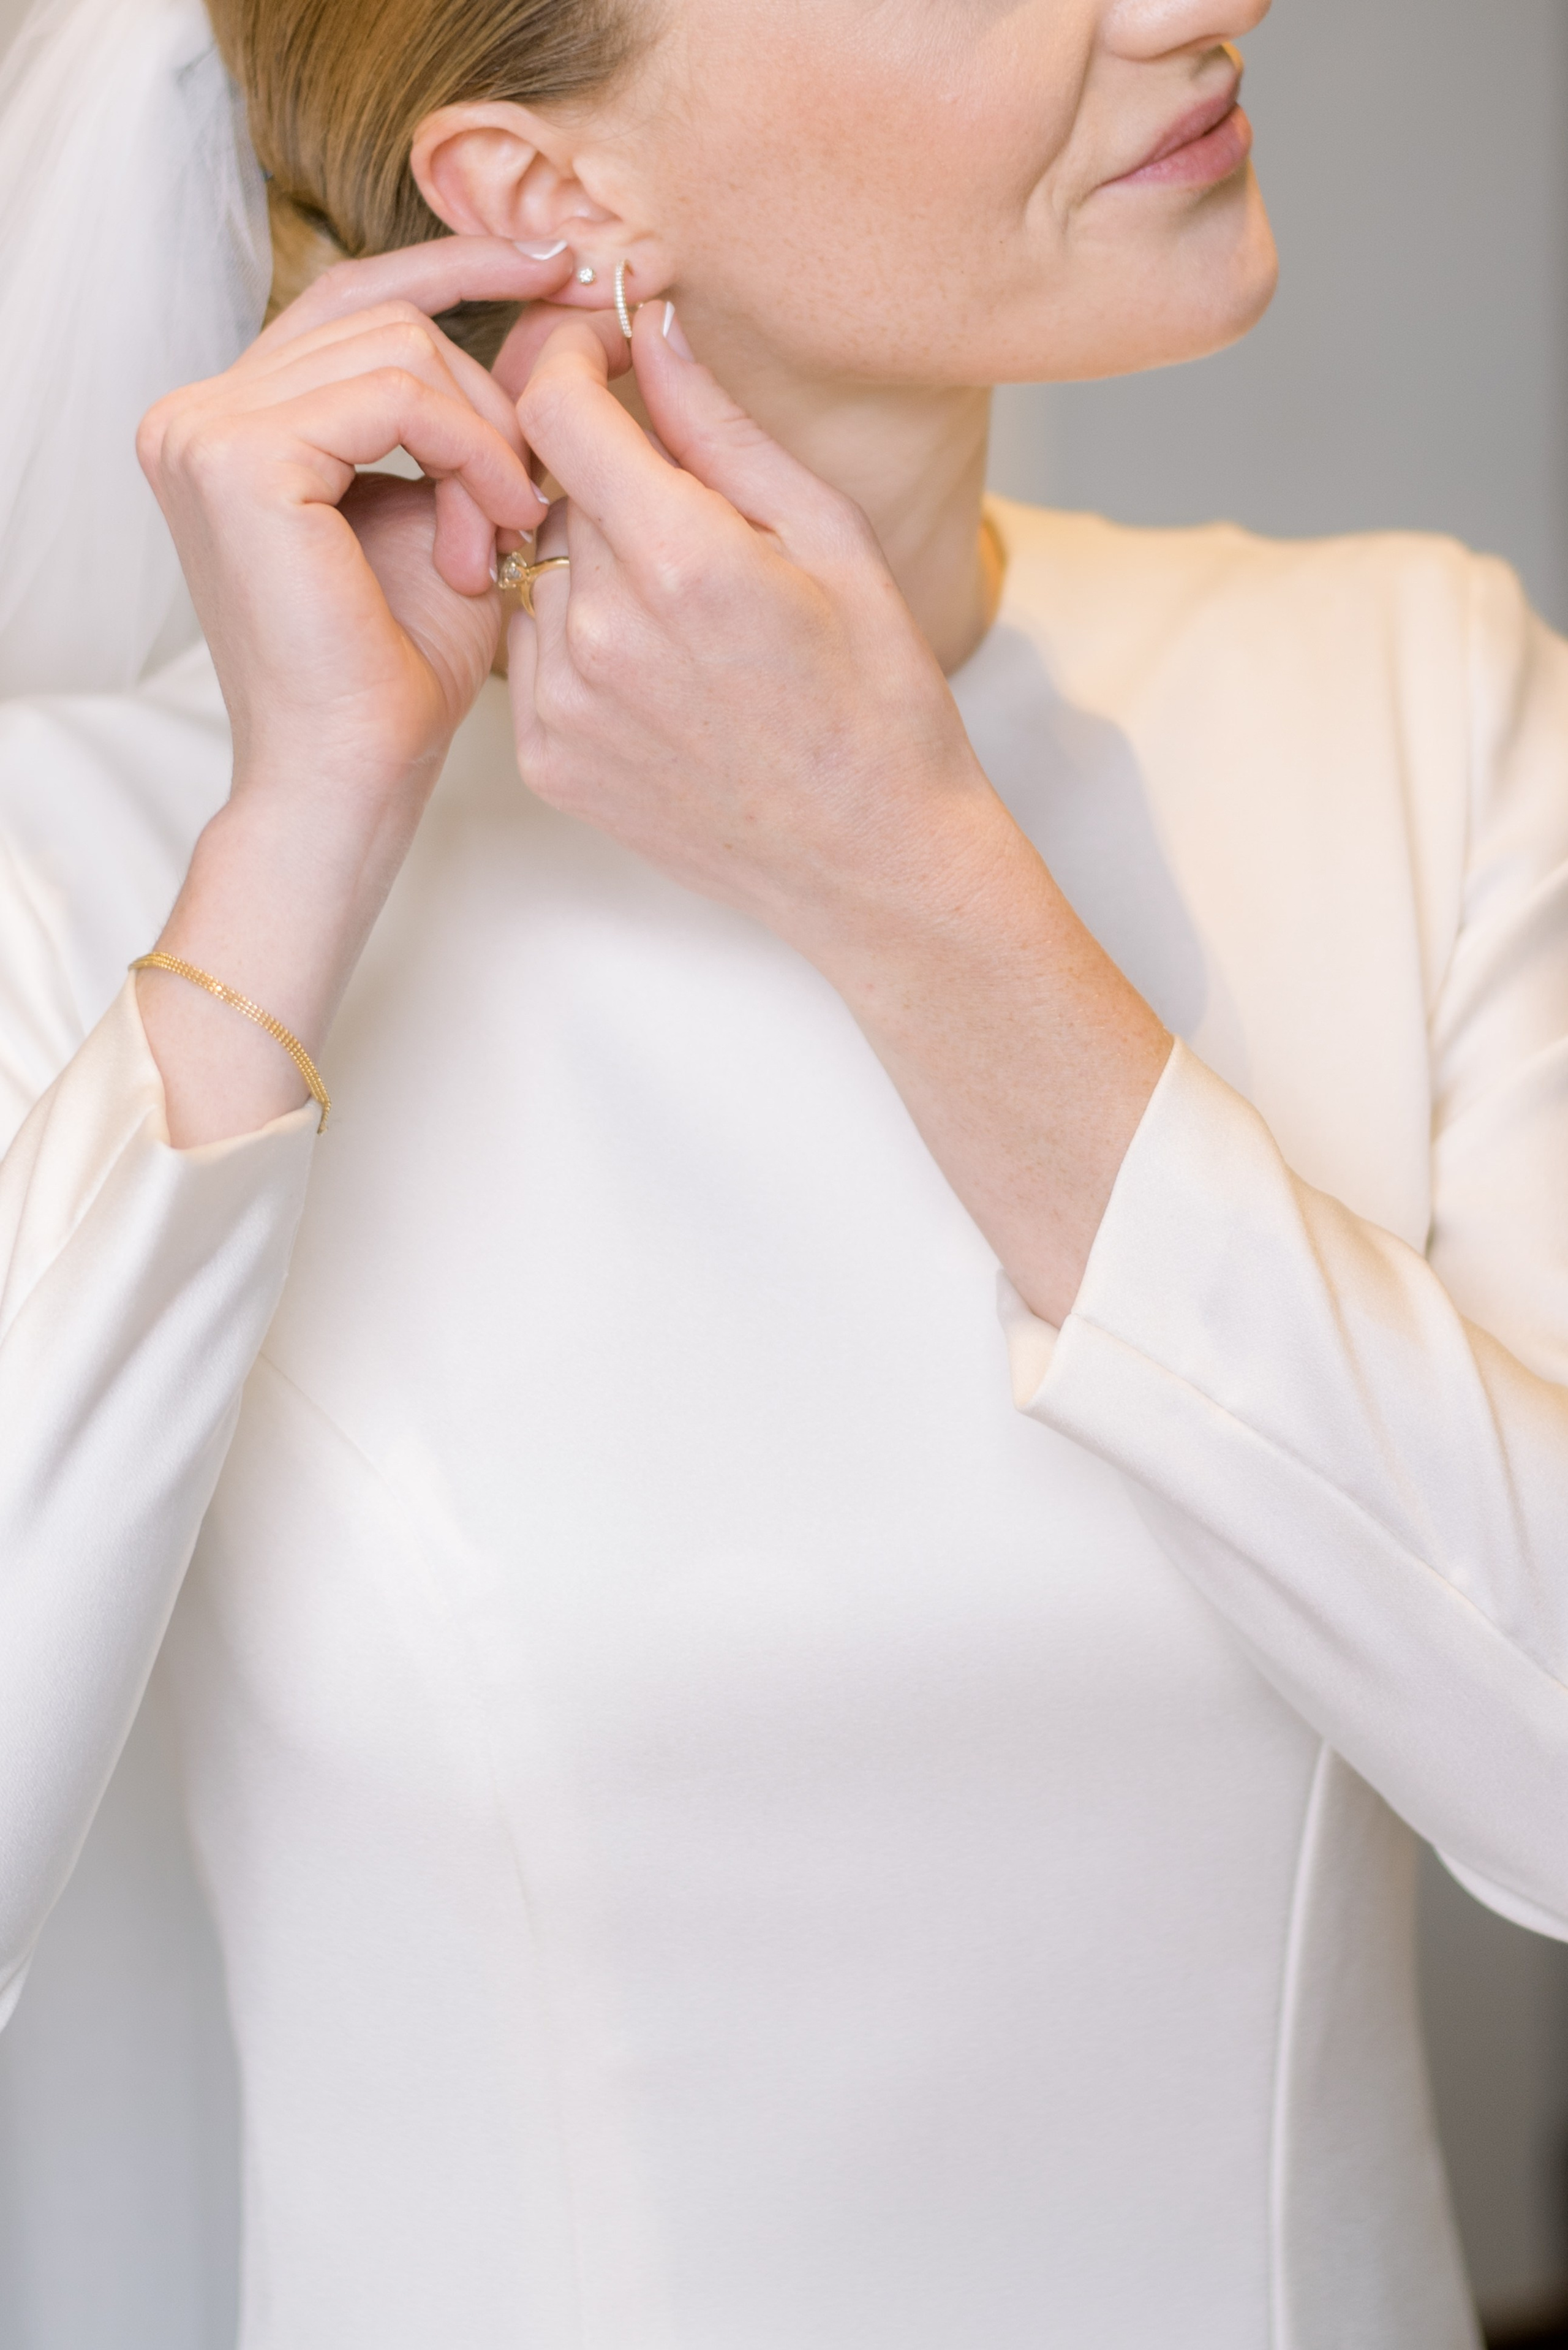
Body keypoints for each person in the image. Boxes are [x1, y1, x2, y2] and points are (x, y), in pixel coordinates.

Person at [1, 0, 1564, 2335]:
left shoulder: (1409, 687)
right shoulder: (104, 871)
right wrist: (303, 832)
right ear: (543, 200)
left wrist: (914, 880)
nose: (1201, 6)